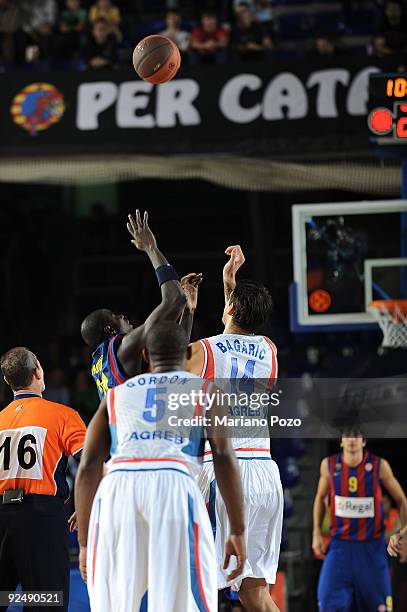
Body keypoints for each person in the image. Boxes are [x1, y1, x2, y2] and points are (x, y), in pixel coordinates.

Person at [75, 321, 246, 612]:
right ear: (189, 352)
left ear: (144, 354)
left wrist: (83, 543)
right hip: (173, 484)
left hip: (118, 489)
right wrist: (238, 530)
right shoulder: (206, 390)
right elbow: (224, 455)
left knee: (116, 603)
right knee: (188, 600)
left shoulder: (117, 395)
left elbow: (89, 465)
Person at [188, 245, 283, 612]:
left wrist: (186, 307)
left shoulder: (204, 350)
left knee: (199, 586)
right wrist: (231, 282)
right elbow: (236, 336)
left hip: (223, 474)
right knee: (254, 592)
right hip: (264, 472)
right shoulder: (270, 350)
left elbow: (170, 358)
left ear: (228, 308)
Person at [0, 347, 86, 612]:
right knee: (46, 603)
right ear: (38, 372)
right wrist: (85, 510)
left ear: (7, 381)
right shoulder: (63, 415)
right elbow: (88, 464)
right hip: (41, 519)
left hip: (2, 517)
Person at [81, 210, 186, 399]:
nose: (122, 316)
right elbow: (175, 299)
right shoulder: (125, 346)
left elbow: (176, 344)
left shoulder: (101, 363)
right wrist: (151, 248)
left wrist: (189, 311)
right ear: (109, 328)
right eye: (115, 316)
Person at [313, 426, 407, 612]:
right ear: (341, 440)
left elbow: (402, 501)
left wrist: (404, 533)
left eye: (356, 435)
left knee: (380, 608)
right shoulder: (329, 465)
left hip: (371, 548)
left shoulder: (379, 466)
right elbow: (320, 497)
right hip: (340, 547)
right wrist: (316, 531)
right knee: (328, 604)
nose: (352, 439)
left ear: (364, 440)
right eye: (347, 435)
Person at [0, 0, 20, 64]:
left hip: (8, 33)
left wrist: (2, 29)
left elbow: (12, 27)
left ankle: (7, 63)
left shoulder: (14, 10)